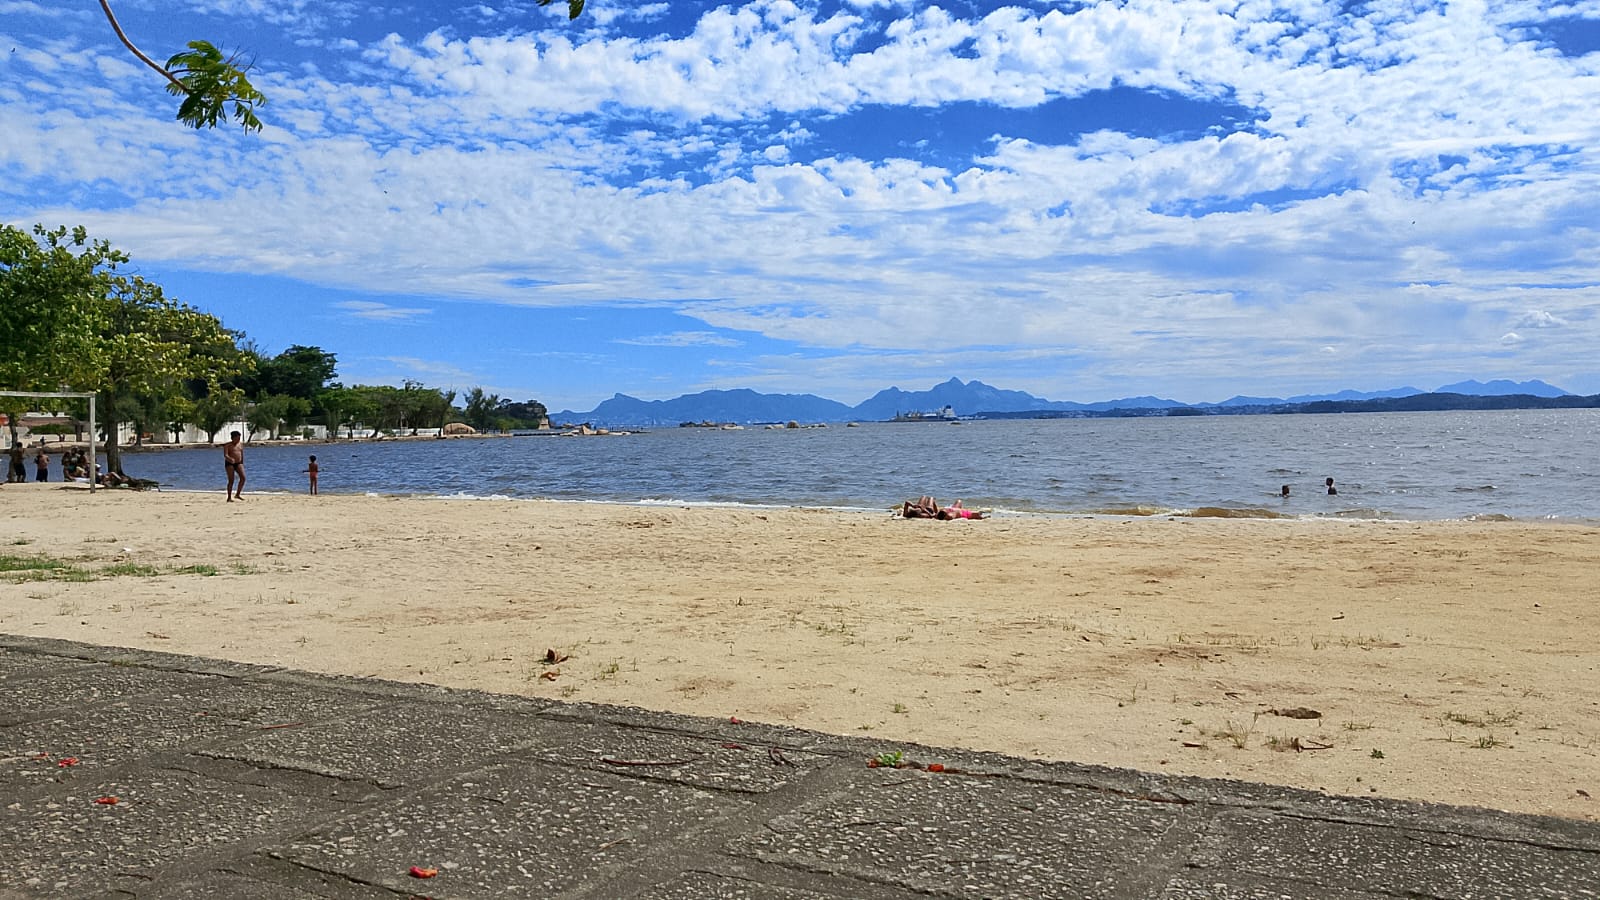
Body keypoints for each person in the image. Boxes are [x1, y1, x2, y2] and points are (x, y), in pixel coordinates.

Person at [223, 431, 246, 501]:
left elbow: (241, 454)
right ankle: (229, 497)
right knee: (231, 480)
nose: (238, 439)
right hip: (229, 463)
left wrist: (242, 462)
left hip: (238, 463)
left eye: (239, 438)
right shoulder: (227, 445)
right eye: (237, 438)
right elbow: (225, 455)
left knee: (243, 478)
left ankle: (238, 494)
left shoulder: (240, 445)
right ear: (233, 438)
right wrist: (230, 459)